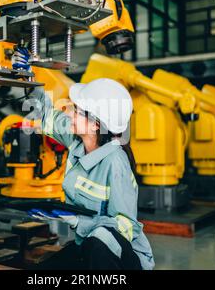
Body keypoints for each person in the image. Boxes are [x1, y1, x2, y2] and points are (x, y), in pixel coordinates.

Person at [13, 48, 154, 270]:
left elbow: (125, 228)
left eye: (77, 110)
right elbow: (45, 114)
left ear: (96, 124)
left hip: (119, 257)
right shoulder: (76, 139)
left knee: (99, 240)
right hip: (87, 244)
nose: (69, 113)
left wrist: (78, 221)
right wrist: (28, 78)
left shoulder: (115, 162)